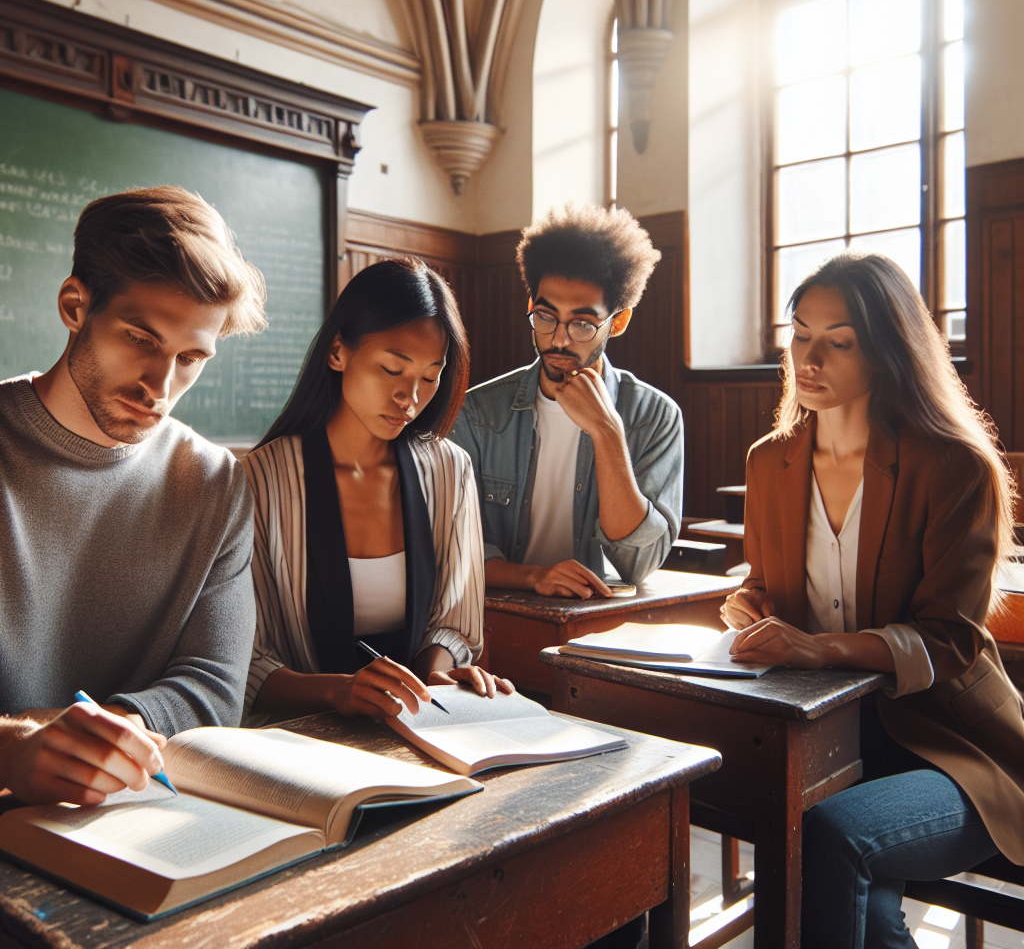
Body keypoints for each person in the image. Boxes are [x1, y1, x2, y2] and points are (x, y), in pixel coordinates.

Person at [720, 250, 1024, 948]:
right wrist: (750, 609)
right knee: (849, 899)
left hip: (954, 748)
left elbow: (950, 639)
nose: (809, 359)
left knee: (831, 837)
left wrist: (817, 649)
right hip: (830, 736)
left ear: (890, 351)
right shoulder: (770, 460)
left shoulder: (954, 465)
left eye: (840, 342)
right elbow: (764, 587)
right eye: (800, 334)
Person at [0, 185, 267, 807]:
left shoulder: (216, 483)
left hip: (134, 814)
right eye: (142, 340)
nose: (160, 387)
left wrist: (103, 741)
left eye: (191, 357)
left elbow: (215, 687)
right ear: (75, 306)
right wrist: (13, 748)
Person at [243, 258, 512, 723]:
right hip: (295, 740)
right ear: (337, 352)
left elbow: (455, 623)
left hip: (415, 726)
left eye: (429, 377)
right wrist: (338, 692)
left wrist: (439, 676)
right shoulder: (258, 480)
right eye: (392, 369)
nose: (410, 398)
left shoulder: (450, 469)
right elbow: (245, 662)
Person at [450, 203, 683, 599]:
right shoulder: (477, 412)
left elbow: (639, 562)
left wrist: (607, 432)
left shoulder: (656, 417)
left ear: (618, 322)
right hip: (496, 615)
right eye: (546, 316)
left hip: (600, 618)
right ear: (531, 307)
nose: (559, 339)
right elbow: (452, 544)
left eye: (582, 324)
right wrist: (533, 577)